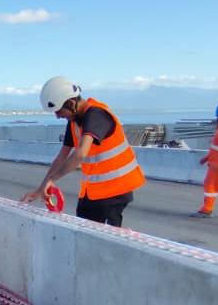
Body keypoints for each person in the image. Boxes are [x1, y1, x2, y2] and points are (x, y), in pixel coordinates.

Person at [22, 76, 145, 227]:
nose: (58, 116)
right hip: (93, 192)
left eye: (59, 111)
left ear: (71, 103)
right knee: (81, 229)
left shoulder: (96, 115)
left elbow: (80, 154)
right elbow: (61, 157)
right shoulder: (73, 122)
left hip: (114, 191)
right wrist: (41, 189)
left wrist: (52, 180)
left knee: (102, 238)